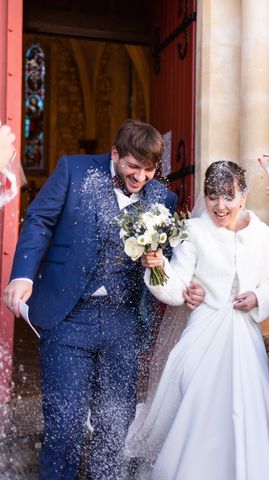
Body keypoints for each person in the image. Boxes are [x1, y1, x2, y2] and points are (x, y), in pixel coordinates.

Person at [3, 119, 177, 480]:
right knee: (64, 423)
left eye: (149, 170)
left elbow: (169, 261)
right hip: (68, 315)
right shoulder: (73, 169)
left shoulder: (164, 199)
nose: (141, 176)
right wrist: (21, 274)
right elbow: (39, 221)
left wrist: (160, 265)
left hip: (125, 322)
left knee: (114, 427)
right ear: (115, 154)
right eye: (132, 166)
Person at [125, 160, 269, 480]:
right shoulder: (194, 231)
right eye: (212, 196)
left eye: (228, 196)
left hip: (244, 335)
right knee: (198, 410)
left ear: (243, 196)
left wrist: (258, 299)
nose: (220, 205)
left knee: (245, 411)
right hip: (203, 333)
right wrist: (156, 266)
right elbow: (177, 286)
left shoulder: (263, 234)